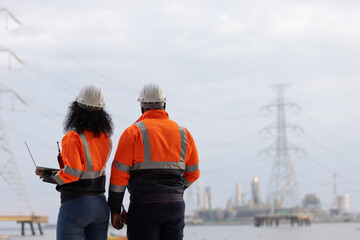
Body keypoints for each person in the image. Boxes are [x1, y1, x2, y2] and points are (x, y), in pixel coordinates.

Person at [108, 82, 200, 240]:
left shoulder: (132, 133)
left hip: (144, 207)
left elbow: (118, 178)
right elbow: (194, 173)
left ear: (142, 106)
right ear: (164, 104)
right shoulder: (184, 134)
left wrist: (115, 210)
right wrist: (174, 190)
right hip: (174, 206)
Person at [35, 84, 113, 240]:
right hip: (100, 204)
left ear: (76, 109)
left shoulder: (73, 137)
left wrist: (47, 175)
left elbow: (73, 173)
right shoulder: (106, 137)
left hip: (76, 205)